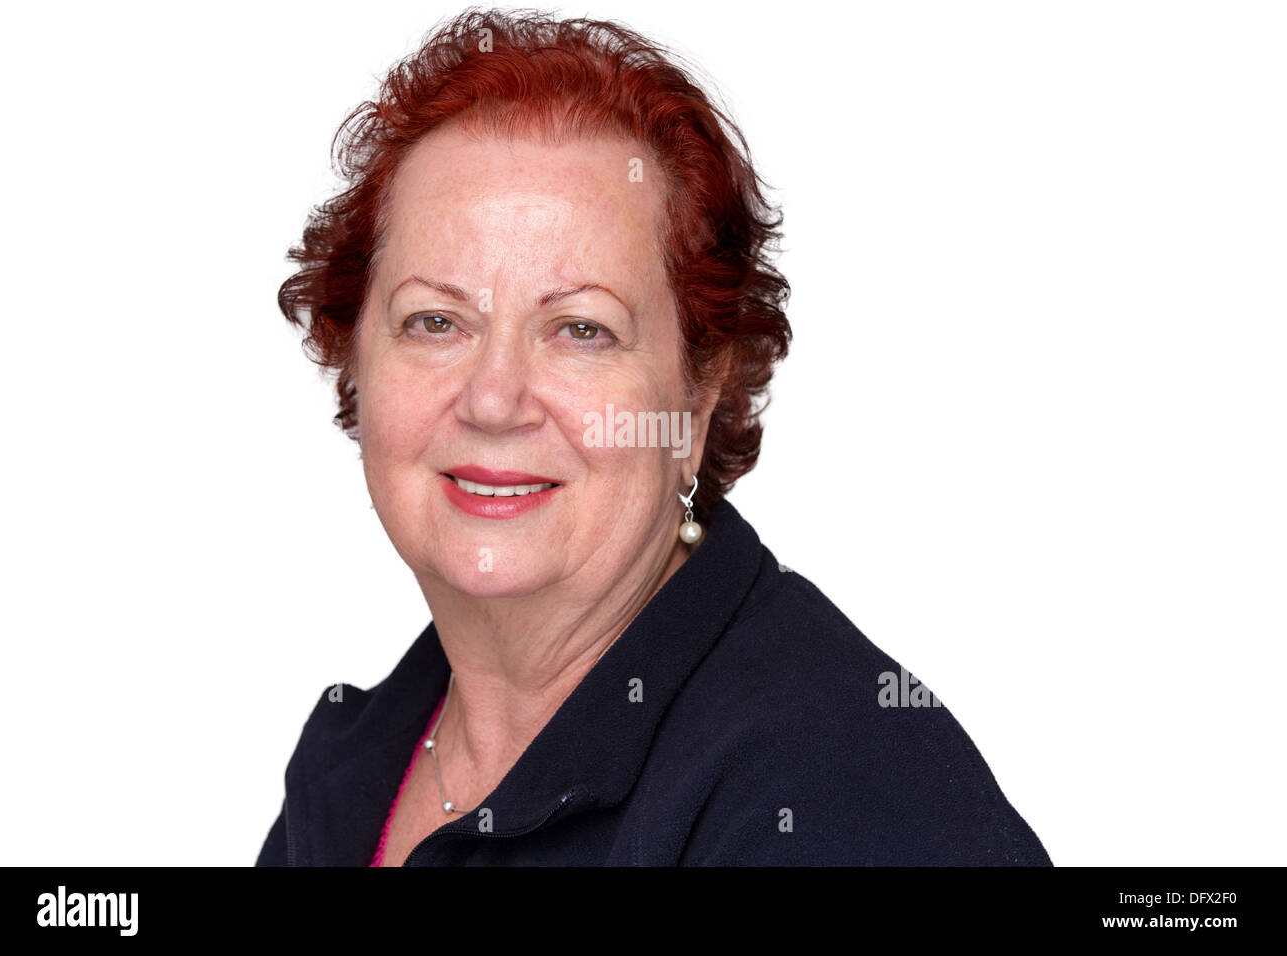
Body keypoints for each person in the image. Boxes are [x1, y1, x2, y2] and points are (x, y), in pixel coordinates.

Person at [257, 8, 1051, 866]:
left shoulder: (845, 792)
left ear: (702, 385)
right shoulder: (359, 763)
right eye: (435, 320)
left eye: (582, 330)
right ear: (354, 355)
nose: (492, 399)